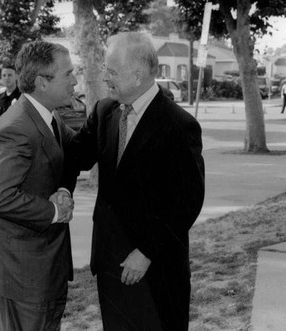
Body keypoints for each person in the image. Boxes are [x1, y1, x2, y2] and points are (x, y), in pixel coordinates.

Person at [67, 32, 205, 330]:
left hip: (156, 270)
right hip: (110, 261)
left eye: (112, 71)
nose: (105, 77)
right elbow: (75, 156)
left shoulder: (179, 126)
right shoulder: (105, 111)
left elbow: (187, 202)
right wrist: (39, 114)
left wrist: (145, 253)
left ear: (138, 75)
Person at [0, 40, 78, 331]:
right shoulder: (17, 127)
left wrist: (63, 188)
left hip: (45, 267)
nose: (75, 80)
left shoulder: (49, 116)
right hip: (22, 273)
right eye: (68, 74)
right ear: (42, 82)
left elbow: (73, 152)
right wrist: (54, 211)